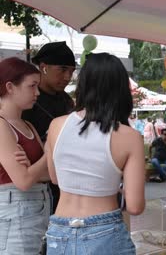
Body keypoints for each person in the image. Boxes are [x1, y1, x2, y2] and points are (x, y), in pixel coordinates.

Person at [44, 53, 146, 254]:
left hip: (59, 231)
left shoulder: (57, 125)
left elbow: (55, 178)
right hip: (105, 231)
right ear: (120, 90)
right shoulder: (129, 136)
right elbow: (135, 207)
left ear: (83, 86)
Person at [0, 57, 51, 254]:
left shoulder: (27, 126)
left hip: (36, 209)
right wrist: (48, 153)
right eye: (32, 86)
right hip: (15, 213)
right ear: (10, 87)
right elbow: (23, 180)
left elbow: (48, 174)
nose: (37, 93)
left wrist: (32, 167)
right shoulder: (2, 125)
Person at [22, 41, 76, 214]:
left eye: (71, 71)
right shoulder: (26, 101)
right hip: (34, 191)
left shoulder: (68, 101)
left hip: (67, 186)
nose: (68, 77)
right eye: (62, 69)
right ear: (43, 67)